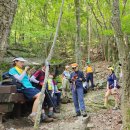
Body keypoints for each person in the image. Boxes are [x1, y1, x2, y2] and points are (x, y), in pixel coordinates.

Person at [9, 57, 53, 123]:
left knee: (43, 95)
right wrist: (25, 70)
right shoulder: (13, 70)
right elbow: (19, 79)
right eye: (21, 62)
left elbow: (27, 80)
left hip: (30, 87)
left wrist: (29, 74)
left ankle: (43, 115)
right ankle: (33, 115)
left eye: (23, 62)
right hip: (24, 88)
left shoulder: (21, 70)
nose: (22, 63)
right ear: (16, 62)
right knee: (40, 95)